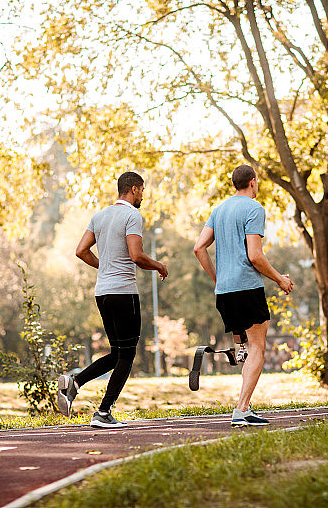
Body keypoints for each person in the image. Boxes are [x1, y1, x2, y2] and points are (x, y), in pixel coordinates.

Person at [58, 171, 168, 428]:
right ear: (133, 189)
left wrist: (104, 266)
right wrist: (159, 265)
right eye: (142, 190)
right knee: (127, 356)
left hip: (103, 293)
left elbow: (81, 250)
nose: (143, 195)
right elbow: (136, 256)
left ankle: (75, 382)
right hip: (123, 292)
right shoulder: (132, 215)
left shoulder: (100, 215)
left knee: (118, 352)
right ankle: (104, 412)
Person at [194, 165, 294, 426]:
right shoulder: (254, 208)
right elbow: (255, 255)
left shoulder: (219, 210)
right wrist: (280, 279)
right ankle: (242, 409)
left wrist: (217, 278)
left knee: (247, 348)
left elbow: (198, 247)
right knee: (258, 347)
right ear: (253, 182)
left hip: (224, 291)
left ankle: (240, 360)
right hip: (247, 288)